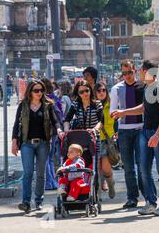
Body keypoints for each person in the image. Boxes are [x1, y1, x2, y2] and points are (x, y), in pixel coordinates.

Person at [111, 60, 159, 216]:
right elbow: (144, 108)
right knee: (143, 169)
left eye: (140, 70)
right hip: (145, 132)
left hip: (158, 133)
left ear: (146, 71)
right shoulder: (147, 87)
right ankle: (151, 202)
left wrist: (157, 135)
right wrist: (123, 112)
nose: (138, 73)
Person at [11, 79, 64, 213]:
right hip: (26, 144)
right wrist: (14, 141)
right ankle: (26, 202)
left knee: (41, 174)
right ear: (30, 91)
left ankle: (39, 201)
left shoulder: (48, 105)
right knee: (28, 173)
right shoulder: (23, 105)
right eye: (36, 90)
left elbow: (55, 121)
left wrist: (58, 130)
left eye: (41, 90)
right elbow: (17, 124)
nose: (39, 93)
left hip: (43, 144)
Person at [109, 60, 146, 209]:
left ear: (135, 71)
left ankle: (148, 195)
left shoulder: (143, 87)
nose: (127, 76)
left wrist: (123, 112)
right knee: (128, 167)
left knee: (142, 165)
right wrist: (115, 120)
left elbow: (145, 109)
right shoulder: (116, 89)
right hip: (124, 130)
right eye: (124, 73)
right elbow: (112, 111)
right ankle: (132, 197)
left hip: (140, 129)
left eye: (129, 72)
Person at [63, 80, 103, 186]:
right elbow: (67, 119)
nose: (85, 94)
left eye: (87, 90)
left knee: (95, 165)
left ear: (90, 90)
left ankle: (95, 191)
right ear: (78, 94)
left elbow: (101, 121)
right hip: (79, 139)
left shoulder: (97, 104)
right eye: (81, 92)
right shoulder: (76, 104)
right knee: (79, 163)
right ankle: (80, 186)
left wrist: (94, 129)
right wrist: (66, 130)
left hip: (94, 138)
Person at [94, 82, 116, 199]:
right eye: (98, 91)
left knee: (106, 168)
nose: (101, 93)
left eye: (103, 90)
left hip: (108, 139)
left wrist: (116, 133)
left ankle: (111, 184)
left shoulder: (111, 104)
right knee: (96, 168)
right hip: (95, 139)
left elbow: (118, 119)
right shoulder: (93, 105)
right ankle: (97, 193)